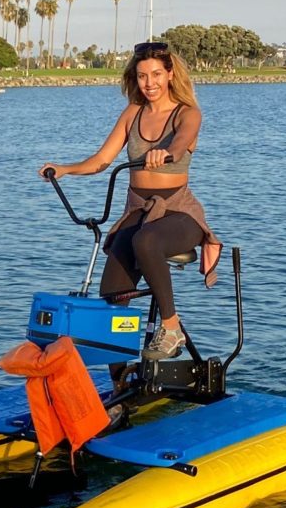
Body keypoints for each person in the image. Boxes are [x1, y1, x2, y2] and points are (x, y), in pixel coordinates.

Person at [39, 41, 221, 367]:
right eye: (141, 76)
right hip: (138, 212)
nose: (149, 83)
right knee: (112, 296)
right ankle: (119, 387)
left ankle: (171, 328)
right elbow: (101, 160)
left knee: (145, 240)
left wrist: (165, 153)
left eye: (155, 75)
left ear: (169, 74)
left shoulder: (187, 113)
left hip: (179, 214)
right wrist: (65, 169)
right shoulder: (133, 113)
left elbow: (180, 144)